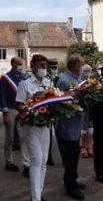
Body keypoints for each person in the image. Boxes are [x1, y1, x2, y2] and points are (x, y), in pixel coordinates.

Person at [16, 54, 51, 201]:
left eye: (45, 65)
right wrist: (31, 111)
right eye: (41, 65)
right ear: (33, 66)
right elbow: (19, 104)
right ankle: (35, 197)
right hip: (31, 127)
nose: (44, 68)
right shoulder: (25, 84)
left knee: (43, 162)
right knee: (36, 161)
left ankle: (39, 193)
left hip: (46, 127)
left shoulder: (48, 82)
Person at [56, 54, 85, 200]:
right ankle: (71, 187)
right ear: (75, 67)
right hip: (67, 125)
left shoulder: (76, 79)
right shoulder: (64, 80)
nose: (82, 69)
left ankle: (71, 179)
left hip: (76, 124)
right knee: (70, 157)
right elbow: (62, 101)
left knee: (74, 155)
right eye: (81, 66)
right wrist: (79, 95)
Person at [0, 57, 30, 176]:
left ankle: (26, 164)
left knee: (23, 136)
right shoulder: (5, 78)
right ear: (12, 64)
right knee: (10, 138)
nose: (20, 66)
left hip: (21, 110)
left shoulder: (22, 78)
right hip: (11, 110)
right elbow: (1, 96)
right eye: (18, 64)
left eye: (21, 64)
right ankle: (9, 162)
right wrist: (5, 112)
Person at [46, 58, 59, 166]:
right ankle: (48, 156)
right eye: (52, 68)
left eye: (55, 67)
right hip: (48, 110)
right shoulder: (44, 78)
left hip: (58, 109)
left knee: (59, 134)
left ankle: (65, 157)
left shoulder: (58, 78)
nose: (54, 70)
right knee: (49, 134)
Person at [80, 64, 94, 158]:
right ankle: (83, 147)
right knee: (83, 129)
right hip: (83, 108)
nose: (87, 73)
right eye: (86, 71)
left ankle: (89, 146)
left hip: (91, 108)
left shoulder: (93, 82)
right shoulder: (80, 82)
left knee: (90, 129)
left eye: (89, 71)